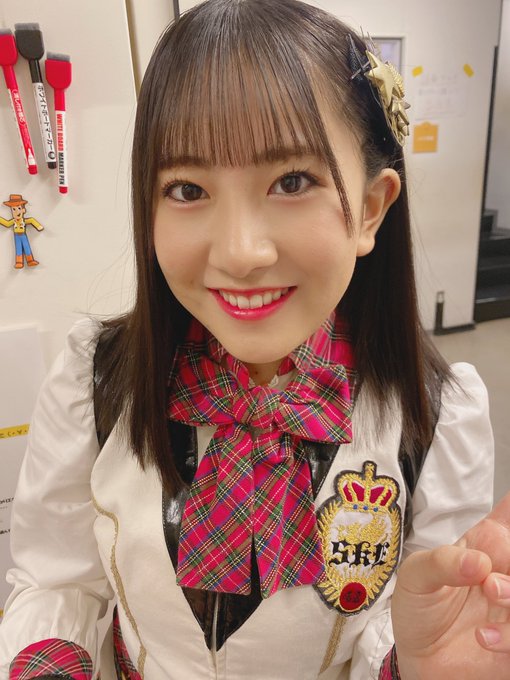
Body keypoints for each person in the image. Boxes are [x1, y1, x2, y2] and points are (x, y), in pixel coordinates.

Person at [0, 1, 508, 678]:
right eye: (187, 189)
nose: (240, 253)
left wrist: (418, 663)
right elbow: (58, 581)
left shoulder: (437, 412)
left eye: (291, 182)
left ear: (370, 208)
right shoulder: (97, 376)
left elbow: (429, 617)